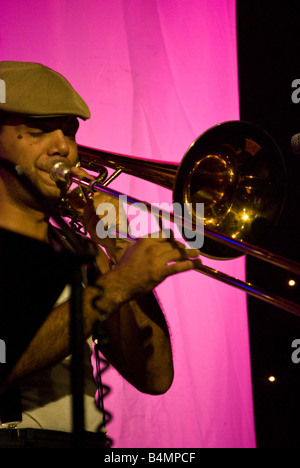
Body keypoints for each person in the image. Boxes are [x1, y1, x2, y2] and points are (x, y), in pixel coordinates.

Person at [0, 61, 201, 448]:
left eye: (70, 131)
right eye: (40, 130)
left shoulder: (79, 251)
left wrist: (114, 245)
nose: (64, 147)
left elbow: (156, 378)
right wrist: (115, 286)